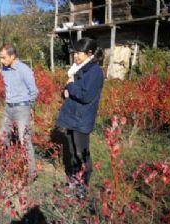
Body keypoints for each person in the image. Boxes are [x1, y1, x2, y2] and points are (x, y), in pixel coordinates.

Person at [56, 38, 104, 197]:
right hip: (72, 117)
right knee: (72, 151)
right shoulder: (78, 69)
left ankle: (83, 186)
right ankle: (75, 181)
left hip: (82, 119)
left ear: (89, 53)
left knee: (81, 154)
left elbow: (85, 95)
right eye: (74, 52)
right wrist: (65, 91)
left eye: (78, 52)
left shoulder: (95, 71)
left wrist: (70, 86)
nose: (75, 56)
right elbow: (73, 91)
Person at [0, 44, 39, 175]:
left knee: (24, 139)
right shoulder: (4, 69)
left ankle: (31, 173)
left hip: (22, 107)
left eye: (4, 58)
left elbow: (34, 91)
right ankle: (3, 168)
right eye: (0, 58)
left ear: (12, 56)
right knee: (3, 138)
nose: (1, 61)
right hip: (8, 108)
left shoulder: (24, 69)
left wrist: (30, 107)